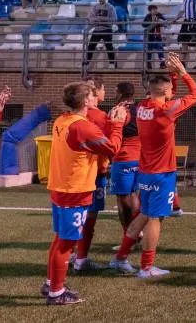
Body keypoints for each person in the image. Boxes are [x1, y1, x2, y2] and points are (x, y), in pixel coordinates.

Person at [110, 54, 196, 278]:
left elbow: (168, 95)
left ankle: (120, 257)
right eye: (170, 89)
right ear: (165, 92)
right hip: (162, 173)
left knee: (142, 215)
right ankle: (147, 267)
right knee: (154, 219)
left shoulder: (143, 107)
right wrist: (182, 73)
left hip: (146, 170)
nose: (173, 93)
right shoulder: (166, 111)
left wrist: (172, 76)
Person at [42, 82, 125, 305]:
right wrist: (117, 124)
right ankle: (57, 293)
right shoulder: (82, 126)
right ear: (86, 101)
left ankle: (52, 283)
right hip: (75, 190)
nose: (95, 96)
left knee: (60, 239)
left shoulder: (62, 120)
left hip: (61, 186)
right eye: (91, 95)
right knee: (67, 243)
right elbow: (112, 149)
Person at [70, 77, 112, 272]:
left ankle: (71, 253)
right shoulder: (100, 117)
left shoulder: (67, 118)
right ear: (95, 93)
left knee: (74, 216)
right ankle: (80, 259)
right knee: (89, 217)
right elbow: (110, 147)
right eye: (103, 90)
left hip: (71, 173)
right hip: (93, 172)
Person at [108, 82, 141, 238]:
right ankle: (137, 230)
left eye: (115, 91)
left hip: (123, 158)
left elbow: (112, 131)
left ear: (120, 93)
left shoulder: (120, 110)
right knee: (133, 194)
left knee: (122, 199)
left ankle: (129, 234)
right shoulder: (141, 109)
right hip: (139, 157)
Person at [84, 0, 116, 70]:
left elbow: (113, 19)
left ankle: (112, 63)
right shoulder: (94, 7)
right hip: (97, 29)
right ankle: (87, 63)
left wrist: (100, 19)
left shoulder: (111, 7)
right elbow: (90, 18)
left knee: (109, 47)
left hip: (107, 30)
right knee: (91, 46)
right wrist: (100, 20)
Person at [142, 5, 166, 69]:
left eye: (156, 9)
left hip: (158, 36)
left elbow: (165, 21)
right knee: (149, 51)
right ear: (150, 11)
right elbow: (143, 24)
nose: (155, 10)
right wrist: (152, 23)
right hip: (150, 37)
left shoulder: (159, 15)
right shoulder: (147, 16)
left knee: (160, 50)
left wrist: (161, 21)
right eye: (153, 9)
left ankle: (162, 63)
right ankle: (149, 64)